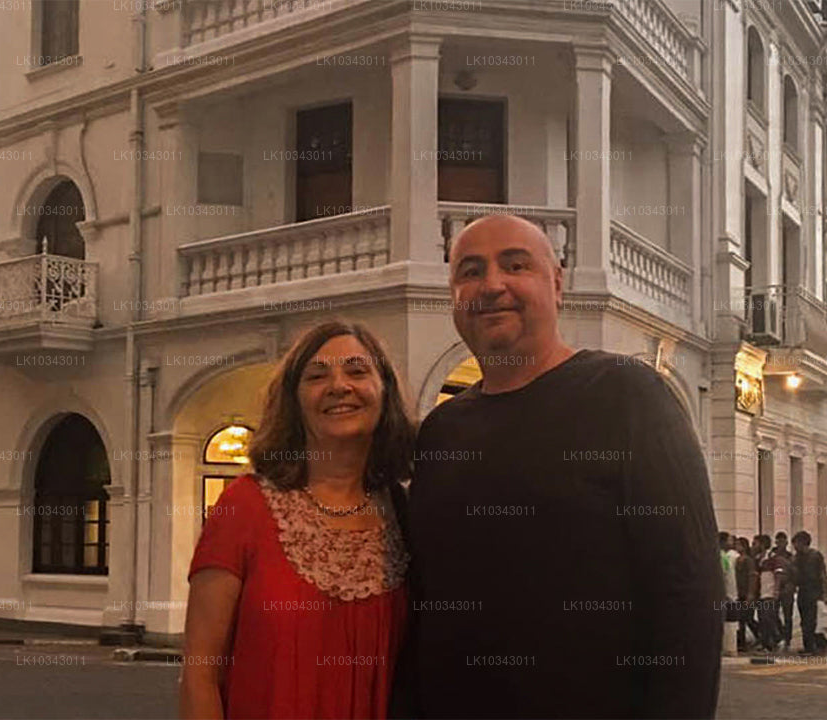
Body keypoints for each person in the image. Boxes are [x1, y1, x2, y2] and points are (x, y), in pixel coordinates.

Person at [406, 215, 722, 719]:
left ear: (556, 284)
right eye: (470, 271)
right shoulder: (441, 432)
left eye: (515, 265)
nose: (492, 284)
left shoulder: (628, 395)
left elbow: (687, 592)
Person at [179, 321, 416, 719]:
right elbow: (199, 676)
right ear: (294, 401)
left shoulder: (404, 513)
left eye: (357, 371)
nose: (339, 386)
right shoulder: (244, 508)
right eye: (317, 376)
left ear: (385, 391)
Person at [792, 531, 827, 655]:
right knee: (805, 620)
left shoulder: (815, 556)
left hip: (814, 591)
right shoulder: (797, 558)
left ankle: (811, 646)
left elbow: (823, 575)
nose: (794, 546)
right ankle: (817, 644)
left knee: (811, 621)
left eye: (796, 543)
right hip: (803, 591)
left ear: (803, 543)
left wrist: (825, 593)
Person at [771, 531, 796, 651]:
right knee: (773, 613)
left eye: (783, 541)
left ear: (786, 542)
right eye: (779, 541)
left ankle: (787, 638)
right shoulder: (772, 555)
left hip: (787, 588)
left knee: (788, 615)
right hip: (774, 587)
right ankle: (779, 634)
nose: (781, 543)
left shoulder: (790, 557)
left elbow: (794, 572)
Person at [756, 538, 782, 653]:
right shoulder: (758, 558)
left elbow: (778, 574)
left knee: (768, 617)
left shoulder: (772, 557)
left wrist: (776, 590)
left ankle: (776, 638)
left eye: (756, 543)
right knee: (762, 618)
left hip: (769, 592)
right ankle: (765, 643)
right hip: (761, 592)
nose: (754, 546)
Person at [735, 536, 759, 651]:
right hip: (739, 593)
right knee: (741, 618)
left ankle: (761, 636)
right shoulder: (737, 559)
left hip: (746, 593)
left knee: (747, 617)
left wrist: (751, 593)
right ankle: (741, 642)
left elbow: (752, 576)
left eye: (738, 544)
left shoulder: (748, 560)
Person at [719, 532, 739, 658]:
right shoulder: (722, 556)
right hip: (727, 594)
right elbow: (722, 576)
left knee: (729, 621)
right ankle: (730, 649)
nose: (731, 543)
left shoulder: (724, 556)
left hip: (729, 594)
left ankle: (729, 649)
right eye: (729, 540)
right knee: (729, 621)